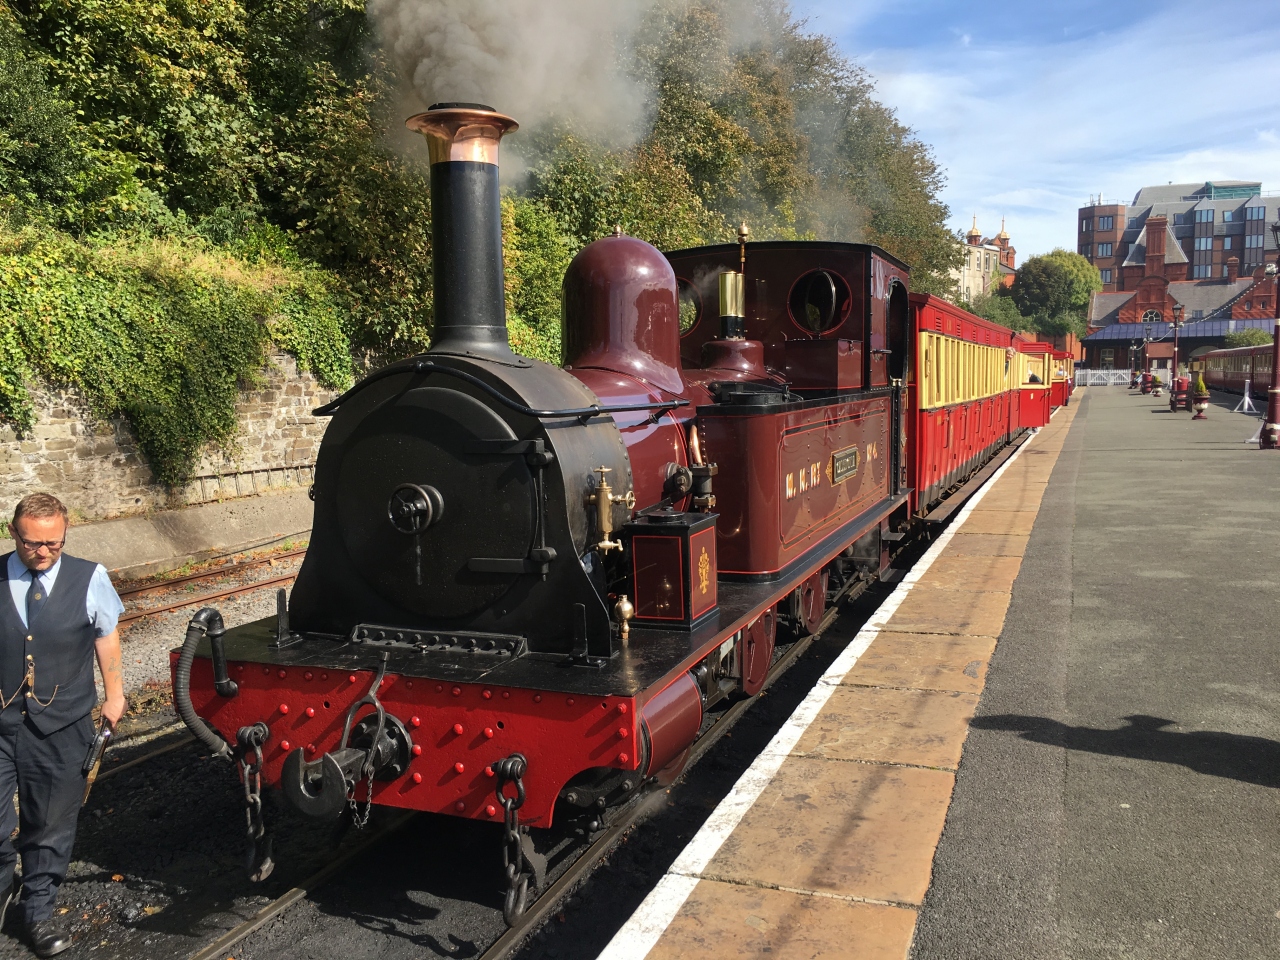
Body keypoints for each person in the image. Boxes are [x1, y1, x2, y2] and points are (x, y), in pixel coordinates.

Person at [1, 493, 125, 957]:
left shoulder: (89, 577)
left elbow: (106, 634)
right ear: (13, 532)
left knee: (49, 825)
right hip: (0, 724)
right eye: (34, 543)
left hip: (63, 724)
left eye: (54, 542)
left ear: (65, 532)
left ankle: (36, 914)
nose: (44, 552)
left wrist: (115, 694)